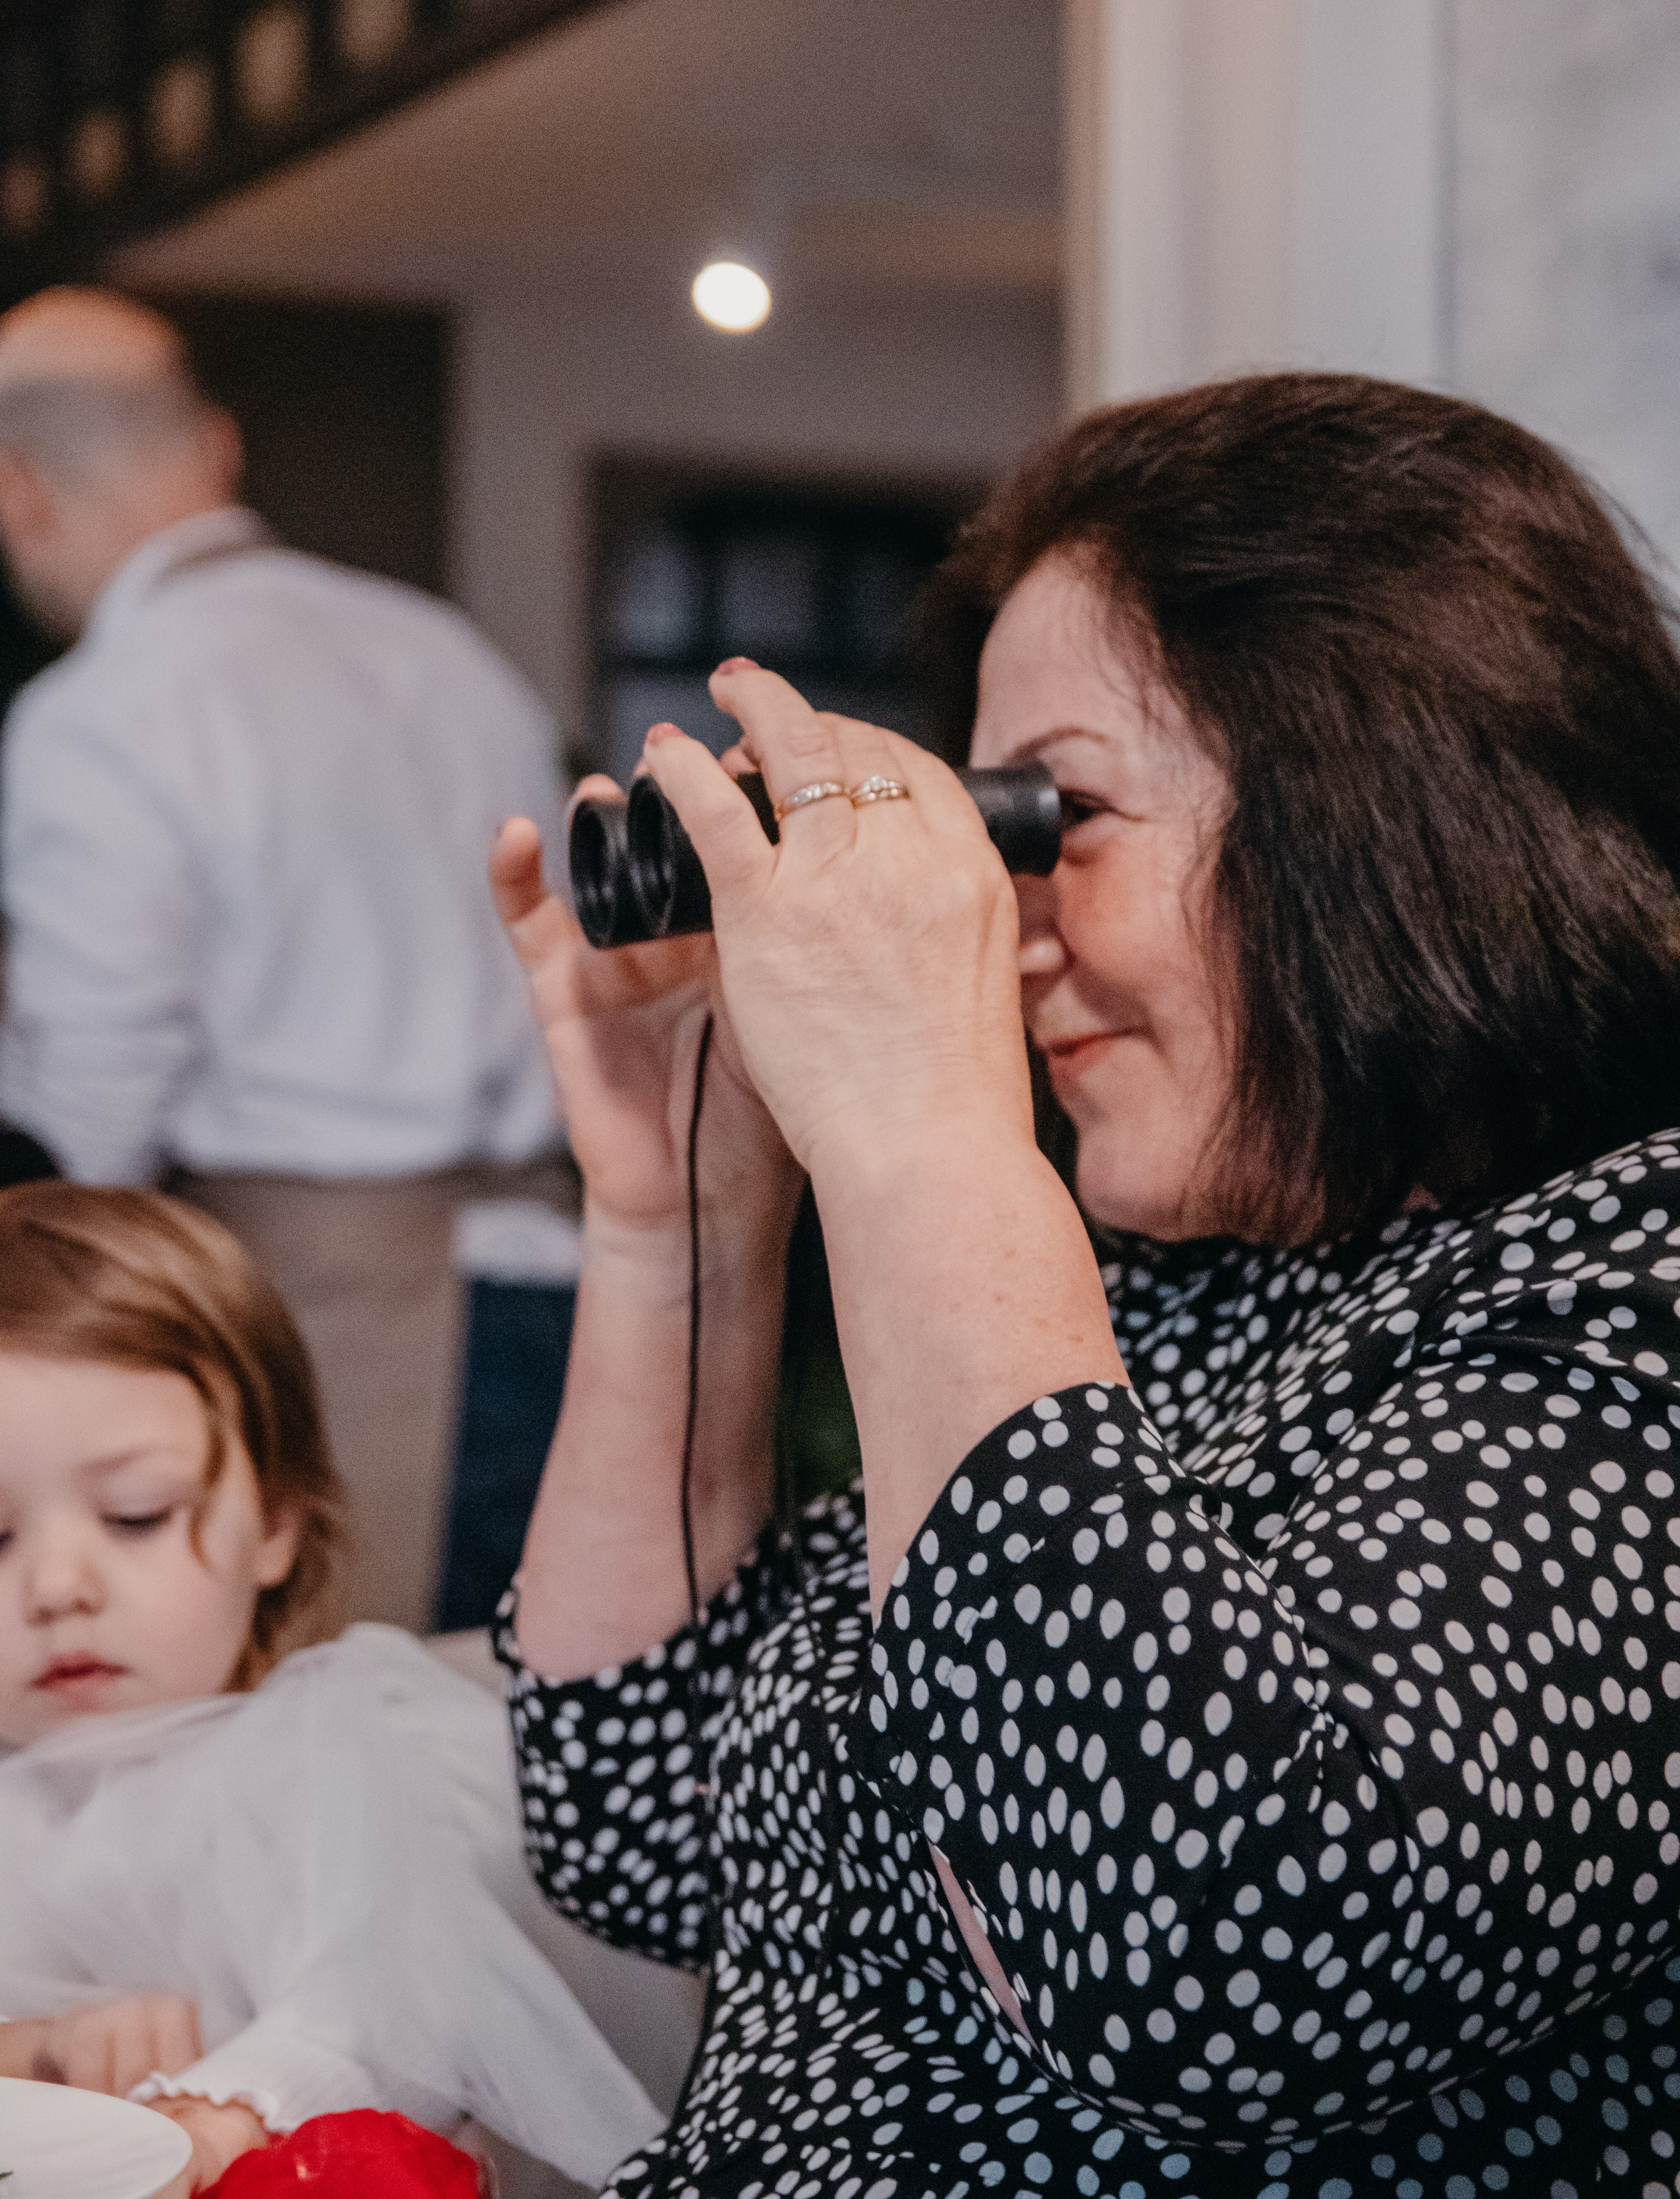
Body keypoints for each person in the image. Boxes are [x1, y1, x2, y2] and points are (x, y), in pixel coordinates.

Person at [487, 373, 1680, 2198]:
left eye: (1052, 821)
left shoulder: (1627, 1280)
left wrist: (915, 1140)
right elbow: (642, 1819)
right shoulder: (1134, 1291)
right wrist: (682, 1222)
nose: (1006, 921)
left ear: (1383, 802)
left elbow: (1217, 1972)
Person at [0, 288, 571, 1628]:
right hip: (564, 1279)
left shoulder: (101, 713)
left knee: (340, 1736)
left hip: (341, 1318)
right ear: (220, 447)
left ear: (16, 489)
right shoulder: (446, 652)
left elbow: (94, 1120)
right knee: (532, 1749)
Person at [0, 1182, 663, 2197]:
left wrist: (224, 2115)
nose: (57, 1589)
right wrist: (39, 2050)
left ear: (275, 1520)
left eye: (136, 1515)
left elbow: (406, 1999)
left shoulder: (331, 1750)